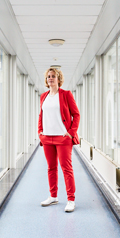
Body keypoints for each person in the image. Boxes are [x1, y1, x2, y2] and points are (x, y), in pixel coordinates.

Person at [38, 68, 80, 212]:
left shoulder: (66, 95)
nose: (50, 78)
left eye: (53, 76)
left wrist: (71, 132)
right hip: (47, 138)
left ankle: (71, 200)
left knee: (66, 168)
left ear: (59, 79)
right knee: (51, 168)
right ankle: (53, 196)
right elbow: (41, 115)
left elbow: (76, 114)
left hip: (63, 138)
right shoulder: (43, 96)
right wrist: (40, 133)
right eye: (48, 76)